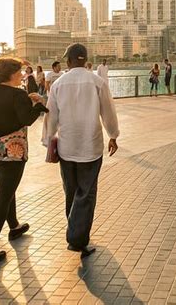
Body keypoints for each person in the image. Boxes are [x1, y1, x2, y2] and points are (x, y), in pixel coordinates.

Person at [43, 43, 119, 258]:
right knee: (86, 194)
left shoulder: (58, 84)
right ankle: (77, 239)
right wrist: (113, 135)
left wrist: (49, 140)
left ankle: (75, 233)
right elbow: (108, 112)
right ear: (85, 60)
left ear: (68, 61)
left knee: (71, 191)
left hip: (67, 147)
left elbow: (51, 116)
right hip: (91, 146)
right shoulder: (97, 82)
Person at [0, 57, 48, 262]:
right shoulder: (18, 94)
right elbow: (26, 119)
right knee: (3, 197)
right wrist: (37, 104)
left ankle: (14, 226)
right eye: (19, 72)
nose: (22, 75)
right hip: (12, 151)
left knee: (6, 189)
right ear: (11, 74)